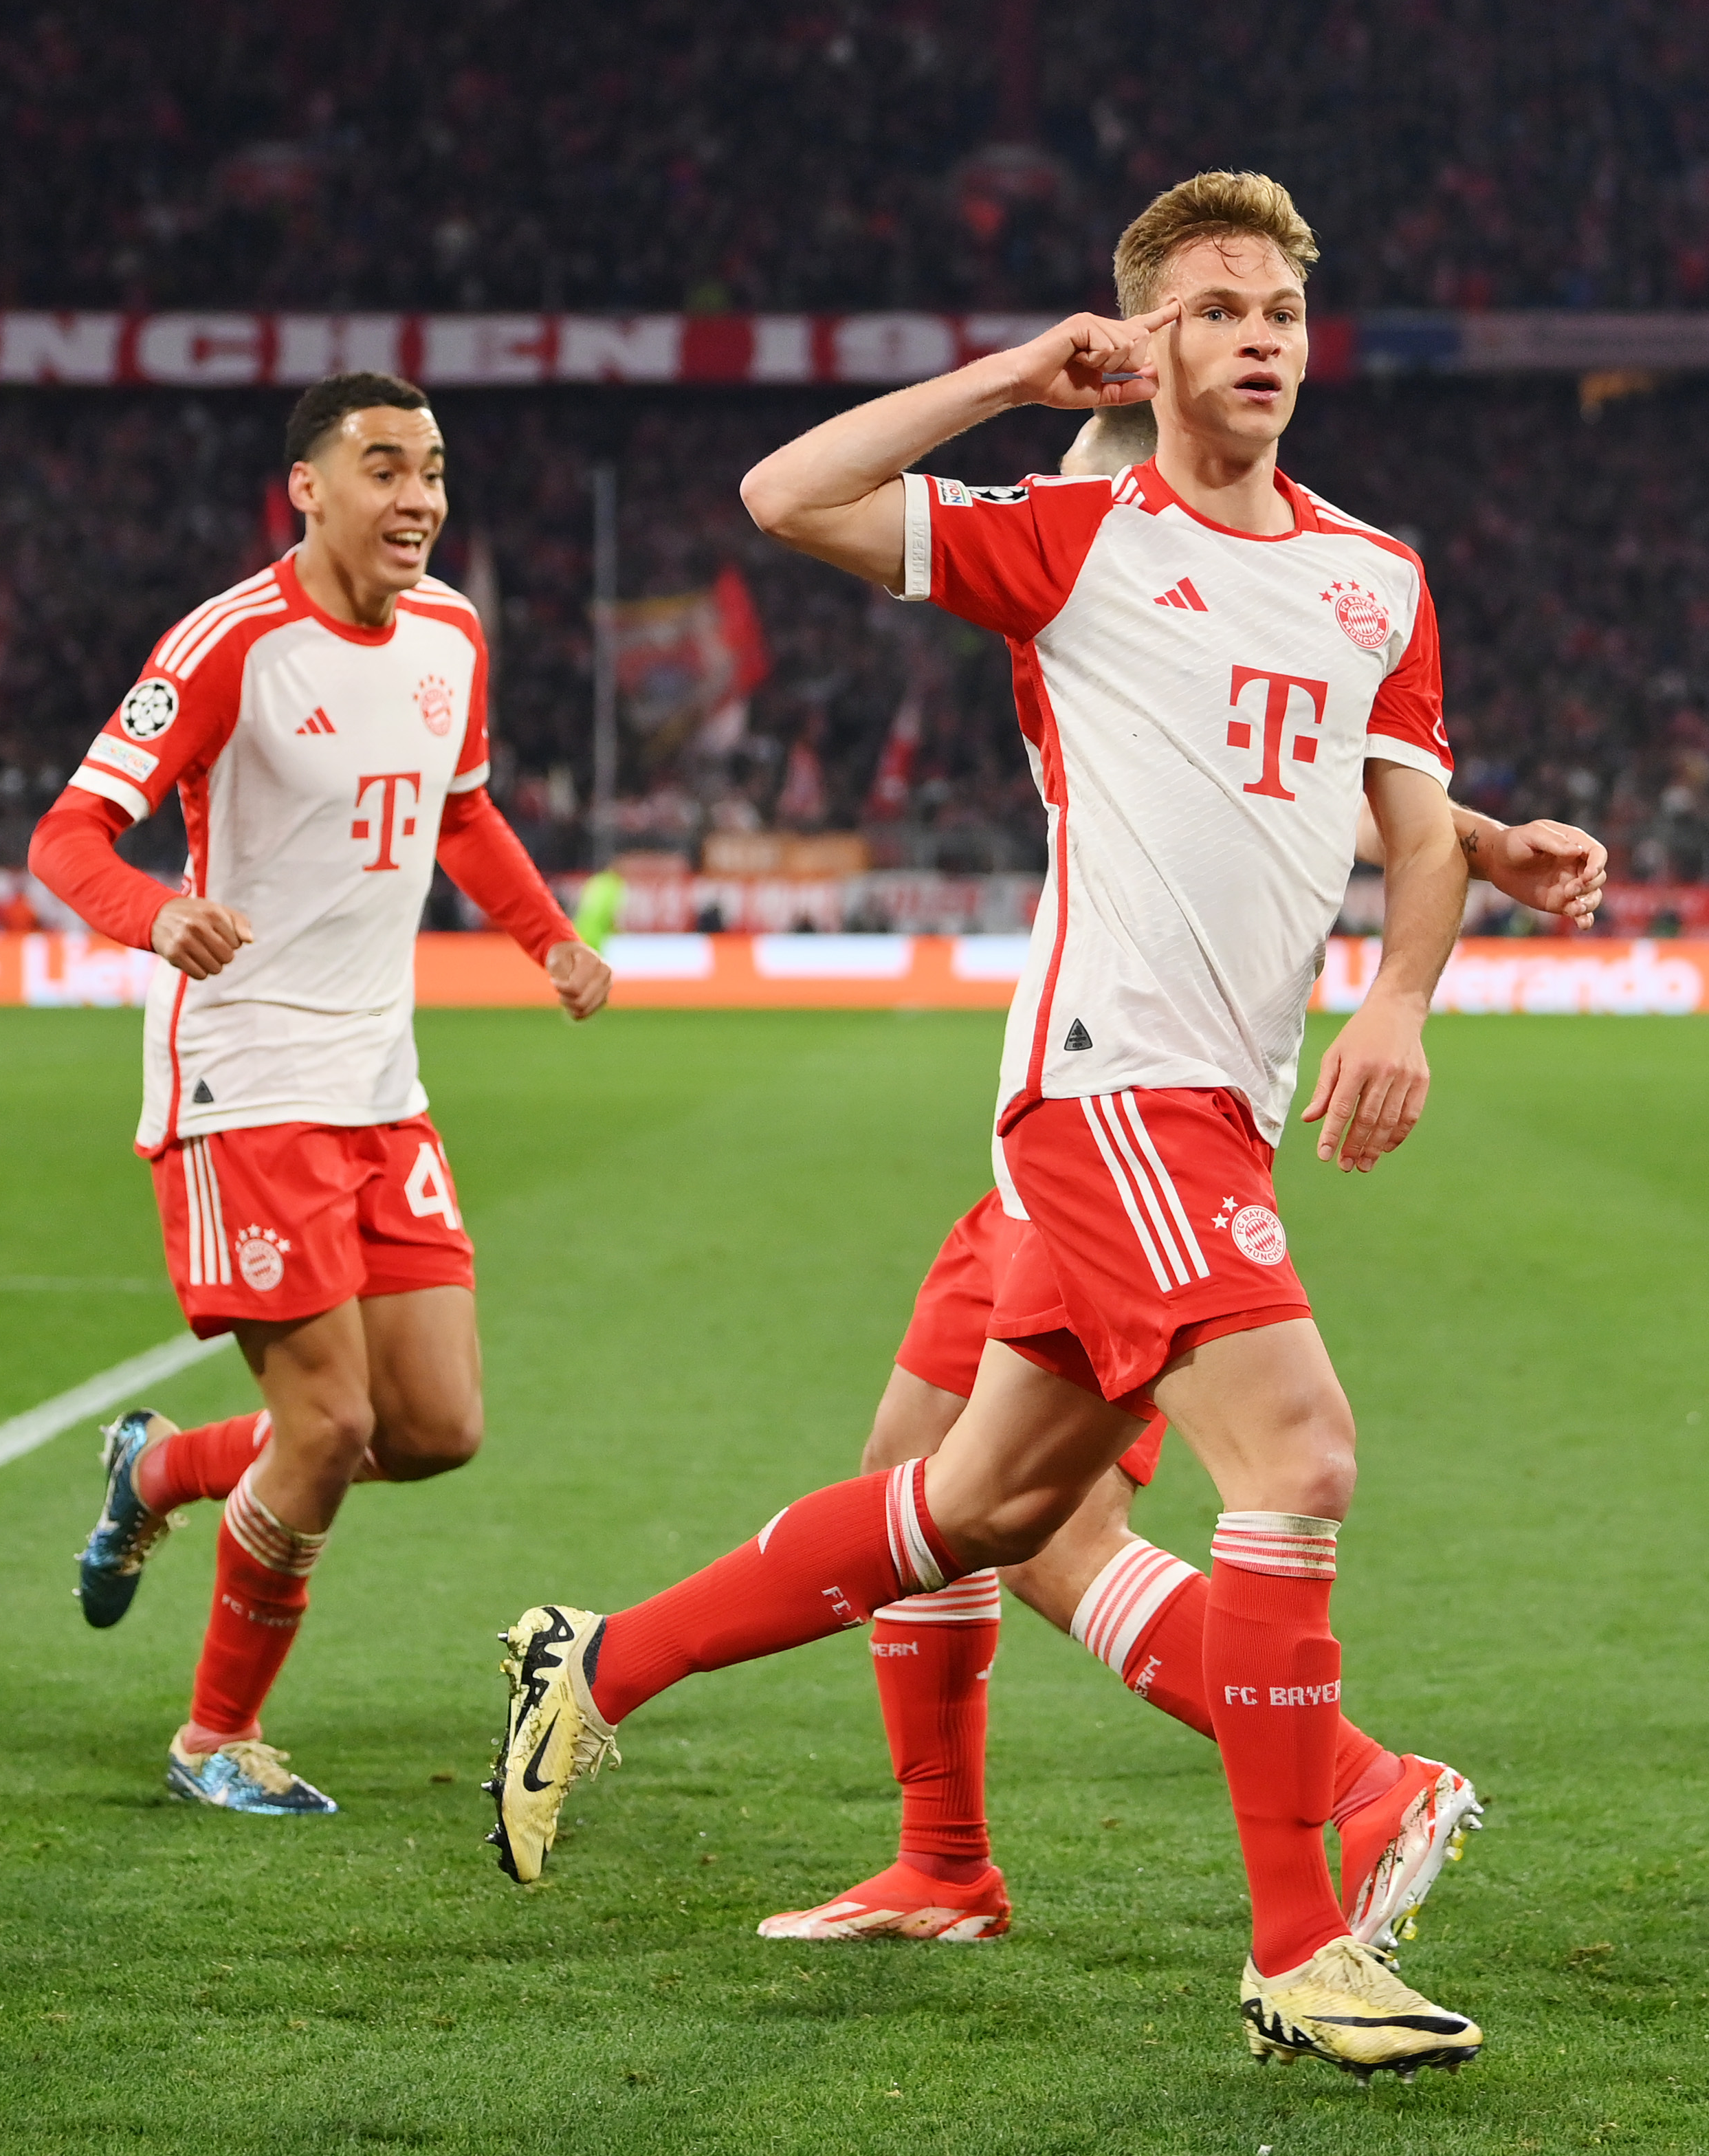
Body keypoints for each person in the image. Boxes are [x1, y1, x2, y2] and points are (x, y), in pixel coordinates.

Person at [486, 171, 1490, 2080]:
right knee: (1300, 1450)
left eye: (1279, 305)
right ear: (1149, 342)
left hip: (1225, 1107)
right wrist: (1013, 374)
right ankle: (1302, 1948)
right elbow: (786, 498)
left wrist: (1406, 991)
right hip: (1108, 1087)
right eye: (1213, 309)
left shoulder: (1378, 572)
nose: (1258, 335)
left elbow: (1414, 820)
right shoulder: (1073, 538)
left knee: (976, 1507)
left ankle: (600, 1663)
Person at [767, 404, 1610, 1951]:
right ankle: (945, 1853)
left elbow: (1260, 731)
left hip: (1122, 1105)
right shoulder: (1072, 572)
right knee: (956, 1491)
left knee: (1009, 1506)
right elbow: (1203, 717)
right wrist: (1024, 371)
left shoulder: (1285, 574)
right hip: (1084, 1103)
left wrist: (1469, 844)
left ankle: (1321, 1819)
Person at [29, 371, 612, 1816]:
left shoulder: (455, 632)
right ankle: (212, 1736)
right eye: (384, 469)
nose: (417, 498)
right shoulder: (233, 643)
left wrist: (546, 937)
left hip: (378, 1081)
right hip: (246, 1078)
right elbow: (69, 831)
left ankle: (158, 1469)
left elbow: (460, 808)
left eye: (432, 472)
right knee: (331, 1423)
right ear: (307, 487)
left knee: (434, 1424)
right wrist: (151, 911)